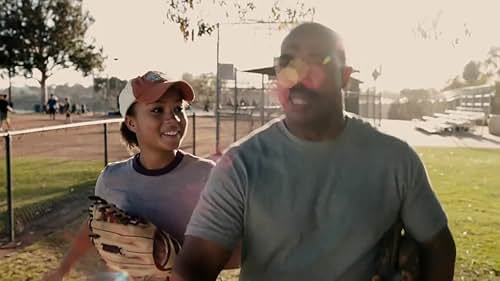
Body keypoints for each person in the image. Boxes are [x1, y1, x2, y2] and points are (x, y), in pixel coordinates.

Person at [172, 22, 456, 281]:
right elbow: (196, 264)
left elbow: (438, 246)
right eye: (287, 64)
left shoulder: (396, 160)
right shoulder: (241, 163)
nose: (297, 76)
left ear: (344, 77)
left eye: (316, 61)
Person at [43, 71, 239, 281]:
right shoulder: (112, 178)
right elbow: (94, 224)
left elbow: (240, 250)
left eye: (177, 108)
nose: (173, 119)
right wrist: (62, 269)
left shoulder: (206, 175)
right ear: (131, 122)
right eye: (157, 110)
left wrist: (182, 261)